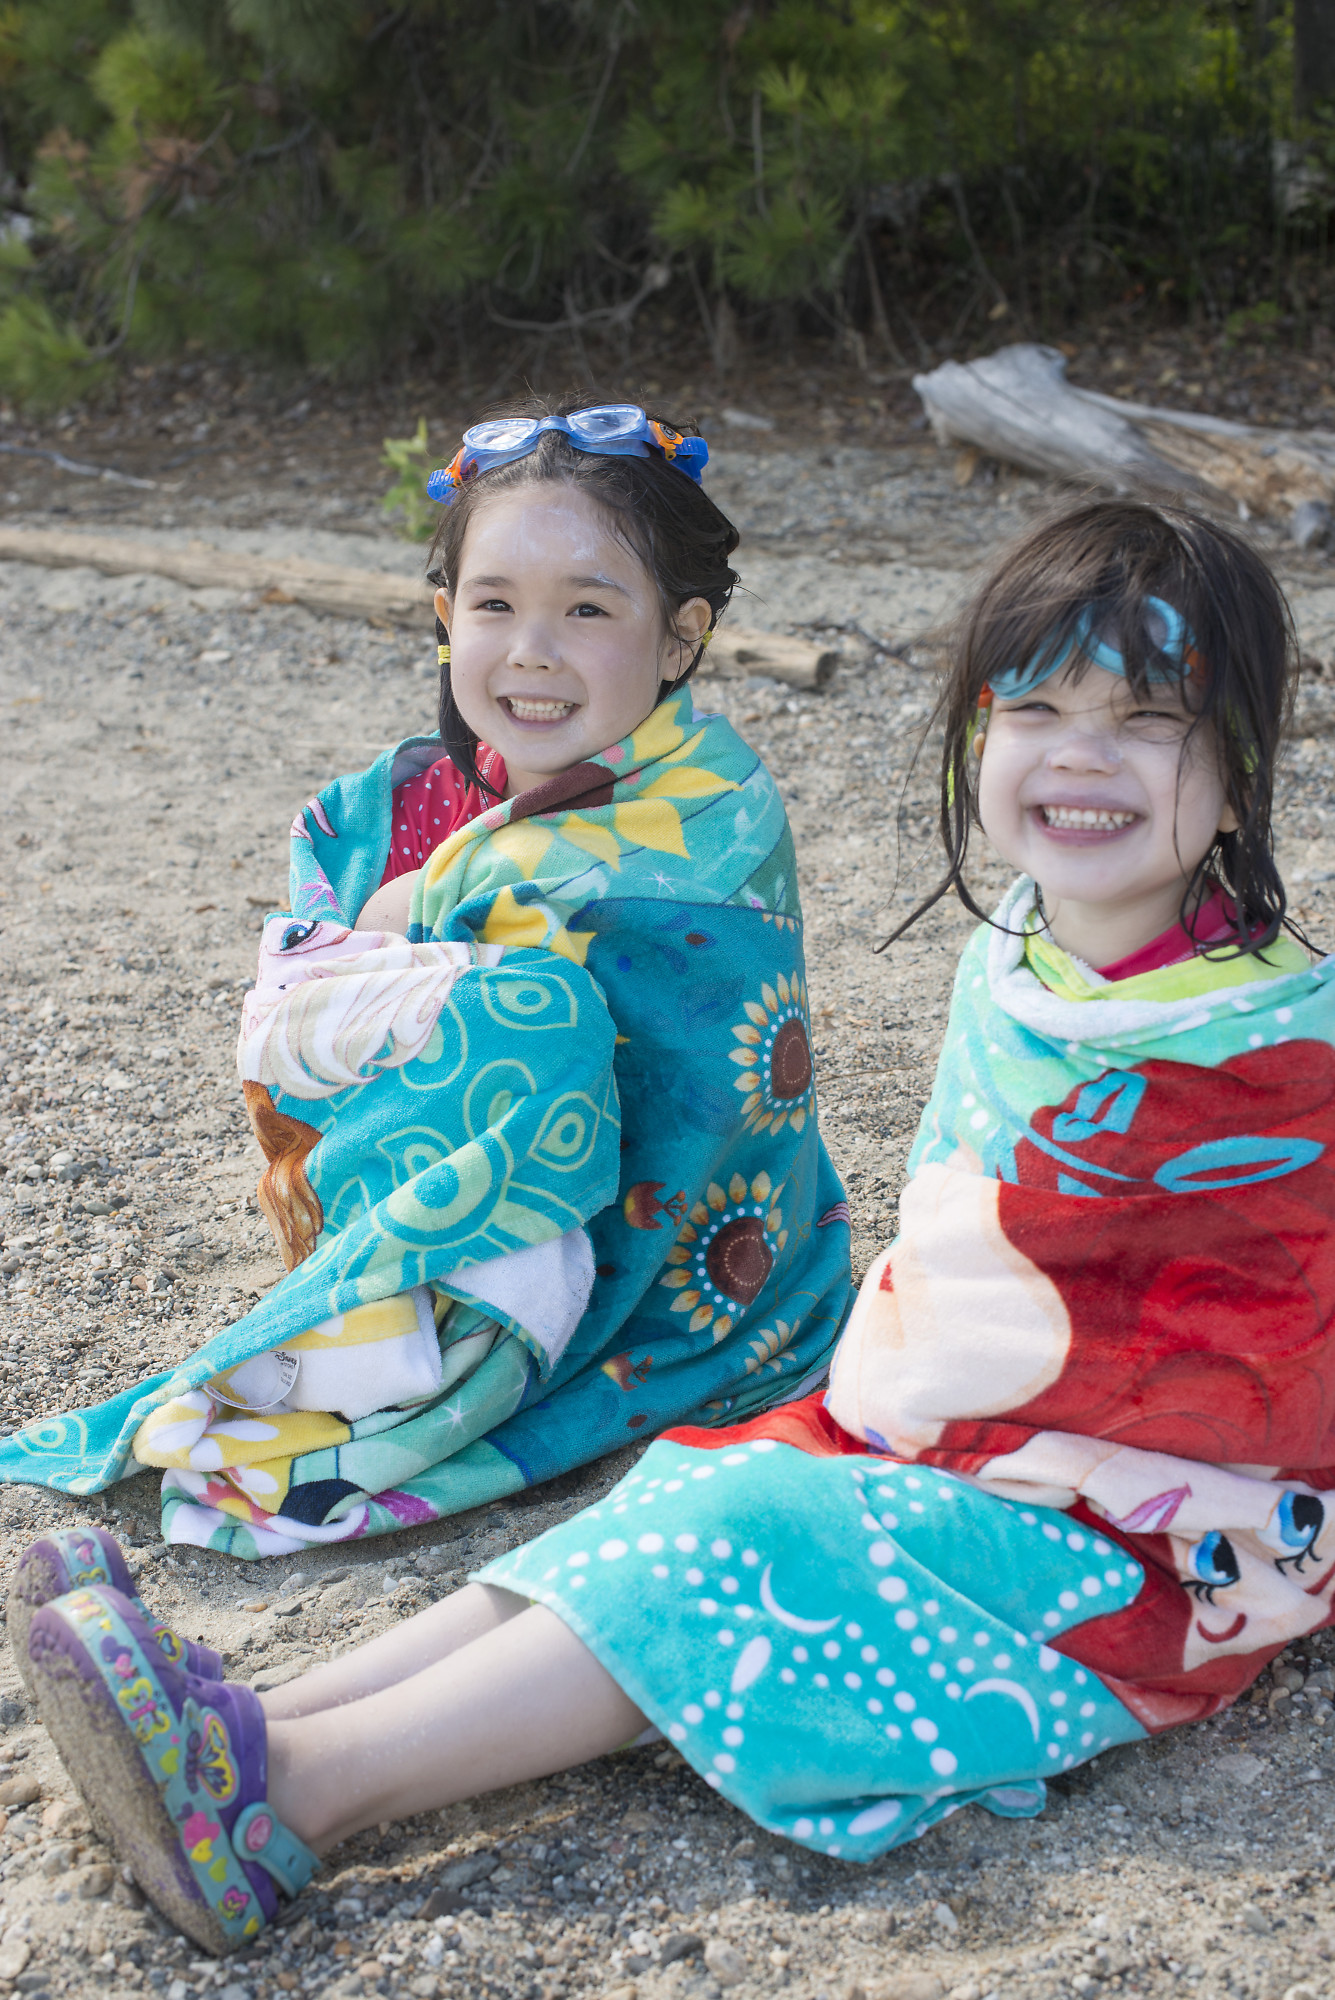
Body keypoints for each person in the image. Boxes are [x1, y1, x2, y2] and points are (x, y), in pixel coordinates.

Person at [13, 498, 1335, 1958]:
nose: (1081, 755)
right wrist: (923, 1406)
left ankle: (290, 1794)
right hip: (934, 1436)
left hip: (1150, 1545)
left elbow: (1262, 1356)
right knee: (675, 1493)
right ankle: (245, 1709)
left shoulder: (1278, 1045)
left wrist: (990, 1427)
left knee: (746, 1538)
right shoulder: (1015, 951)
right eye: (1034, 708)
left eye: (1149, 718)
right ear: (977, 739)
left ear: (1238, 775)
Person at [0, 399, 849, 1557]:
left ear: (679, 636)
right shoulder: (402, 814)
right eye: (495, 604)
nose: (533, 649)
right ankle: (387, 1280)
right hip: (467, 1192)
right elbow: (299, 1027)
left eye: (588, 609)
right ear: (448, 618)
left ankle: (445, 1345)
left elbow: (711, 1076)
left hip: (664, 1255)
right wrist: (401, 923)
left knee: (531, 1016)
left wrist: (420, 941)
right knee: (408, 906)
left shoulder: (712, 814)